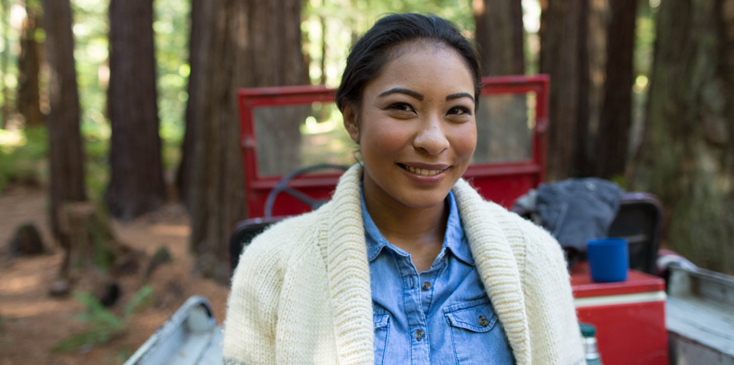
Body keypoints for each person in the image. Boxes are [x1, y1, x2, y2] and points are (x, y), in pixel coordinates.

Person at [223, 13, 584, 365]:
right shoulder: (271, 265)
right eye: (402, 107)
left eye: (457, 111)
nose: (433, 140)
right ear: (352, 118)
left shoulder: (534, 257)